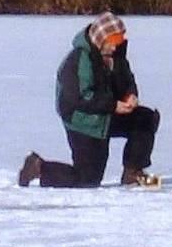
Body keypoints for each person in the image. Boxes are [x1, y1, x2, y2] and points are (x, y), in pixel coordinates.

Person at [18, 12, 160, 188]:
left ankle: (132, 172)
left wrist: (130, 94)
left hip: (108, 113)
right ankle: (39, 167)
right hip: (83, 122)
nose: (115, 48)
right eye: (112, 43)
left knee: (146, 119)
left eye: (118, 42)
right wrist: (113, 105)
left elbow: (127, 81)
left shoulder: (118, 57)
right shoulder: (77, 60)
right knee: (87, 180)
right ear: (101, 39)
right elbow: (80, 97)